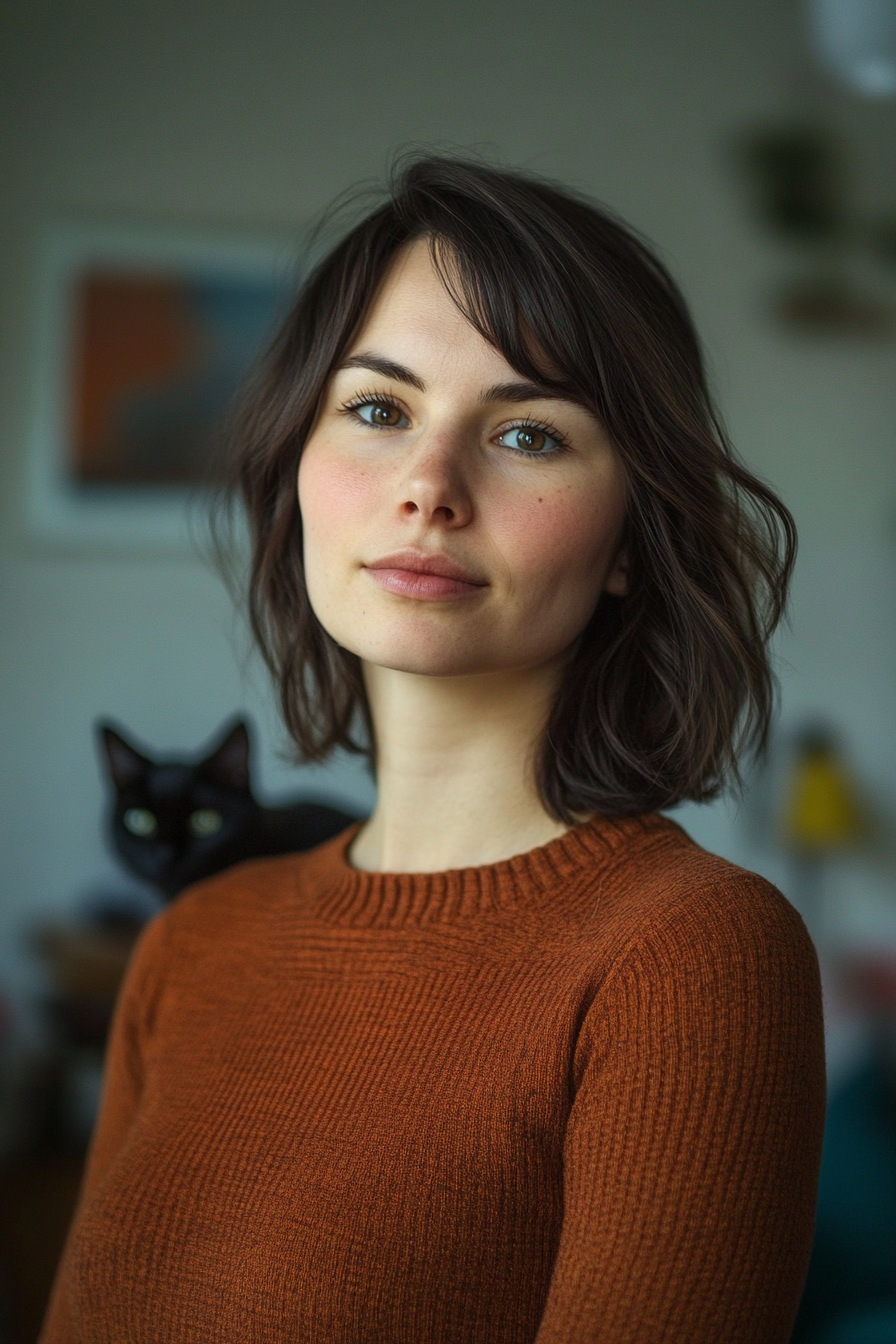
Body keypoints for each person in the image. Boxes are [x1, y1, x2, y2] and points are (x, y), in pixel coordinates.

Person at [40, 155, 826, 1344]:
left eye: (526, 434)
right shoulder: (189, 944)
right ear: (297, 469)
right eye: (376, 408)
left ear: (627, 538)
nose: (427, 485)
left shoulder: (688, 955)